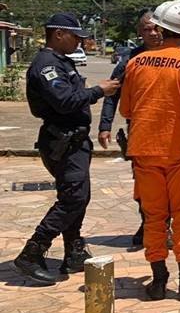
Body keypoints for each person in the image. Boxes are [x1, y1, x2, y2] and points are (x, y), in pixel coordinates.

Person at [14, 14, 119, 285]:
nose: (80, 41)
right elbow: (65, 101)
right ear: (59, 34)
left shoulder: (62, 62)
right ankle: (32, 251)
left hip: (73, 140)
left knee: (78, 196)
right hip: (62, 140)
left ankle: (73, 251)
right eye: (76, 36)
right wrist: (99, 90)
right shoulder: (46, 65)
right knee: (73, 197)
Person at [119, 0, 180, 301]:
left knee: (153, 216)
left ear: (158, 29)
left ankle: (158, 280)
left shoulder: (135, 63)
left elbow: (127, 109)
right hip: (176, 155)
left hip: (144, 152)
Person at [98, 11, 163, 246]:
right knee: (143, 183)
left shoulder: (177, 55)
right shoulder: (130, 59)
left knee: (171, 184)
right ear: (140, 32)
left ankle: (163, 228)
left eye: (157, 28)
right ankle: (148, 224)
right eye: (147, 29)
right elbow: (111, 92)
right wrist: (105, 126)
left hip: (171, 132)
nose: (153, 33)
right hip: (139, 132)